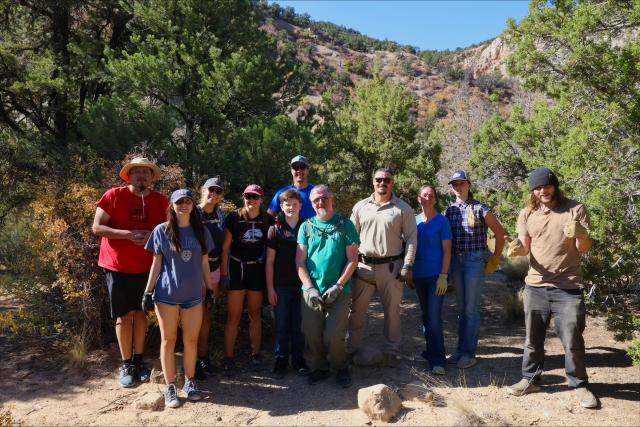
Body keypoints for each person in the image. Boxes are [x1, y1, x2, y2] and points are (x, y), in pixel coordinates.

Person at [506, 167, 598, 409]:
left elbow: (585, 247)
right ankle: (530, 379)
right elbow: (525, 247)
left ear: (555, 186)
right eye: (537, 188)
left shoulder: (575, 209)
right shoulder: (527, 213)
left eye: (546, 186)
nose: (542, 191)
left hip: (568, 287)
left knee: (572, 339)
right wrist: (516, 249)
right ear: (532, 191)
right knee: (532, 339)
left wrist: (582, 233)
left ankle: (579, 385)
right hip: (536, 285)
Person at [92, 157, 169, 387]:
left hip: (148, 268)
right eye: (137, 172)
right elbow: (97, 227)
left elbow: (170, 228)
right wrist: (128, 234)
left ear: (152, 177)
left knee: (141, 314)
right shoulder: (113, 196)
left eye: (146, 172)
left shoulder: (160, 200)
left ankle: (139, 361)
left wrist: (151, 235)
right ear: (129, 176)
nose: (142, 175)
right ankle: (126, 363)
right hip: (117, 266)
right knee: (123, 317)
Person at [142, 189, 213, 408]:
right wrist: (147, 291)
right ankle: (170, 386)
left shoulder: (200, 231)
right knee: (168, 340)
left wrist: (210, 289)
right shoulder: (161, 231)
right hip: (166, 296)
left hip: (193, 296)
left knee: (191, 340)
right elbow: (156, 264)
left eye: (187, 202)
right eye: (179, 202)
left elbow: (204, 263)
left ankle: (190, 383)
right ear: (172, 206)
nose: (183, 205)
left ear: (193, 206)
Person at [347, 168, 417, 364]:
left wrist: (407, 264)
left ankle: (391, 350)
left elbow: (412, 239)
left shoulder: (403, 208)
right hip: (363, 267)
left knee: (392, 312)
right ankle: (351, 347)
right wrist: (349, 264)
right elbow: (351, 238)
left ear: (392, 183)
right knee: (357, 310)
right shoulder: (361, 206)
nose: (382, 183)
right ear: (373, 181)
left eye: (386, 180)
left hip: (392, 267)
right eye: (378, 179)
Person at [296, 184, 360, 388]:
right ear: (312, 204)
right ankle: (321, 367)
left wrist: (339, 286)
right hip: (311, 291)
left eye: (324, 198)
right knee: (312, 333)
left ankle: (341, 367)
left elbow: (353, 259)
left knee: (333, 334)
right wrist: (310, 287)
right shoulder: (306, 226)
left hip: (339, 290)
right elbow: (300, 261)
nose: (320, 202)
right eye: (316, 200)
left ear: (332, 200)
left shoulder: (345, 224)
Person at [445, 170, 505, 369]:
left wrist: (495, 258)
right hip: (456, 261)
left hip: (474, 261)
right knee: (462, 309)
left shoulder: (480, 208)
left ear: (469, 185)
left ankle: (469, 354)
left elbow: (499, 232)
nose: (458, 187)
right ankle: (460, 351)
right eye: (454, 184)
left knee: (471, 309)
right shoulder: (450, 210)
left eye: (461, 183)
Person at [220, 184, 272, 375]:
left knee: (255, 313)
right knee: (233, 315)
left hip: (256, 270)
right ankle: (228, 357)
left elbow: (271, 248)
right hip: (236, 269)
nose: (252, 200)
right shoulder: (234, 217)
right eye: (248, 196)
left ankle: (256, 354)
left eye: (255, 197)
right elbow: (225, 247)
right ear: (243, 197)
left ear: (261, 199)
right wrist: (224, 274)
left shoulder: (268, 219)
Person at [265, 189, 310, 378]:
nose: (290, 208)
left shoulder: (308, 227)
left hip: (302, 285)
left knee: (299, 325)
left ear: (300, 206)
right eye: (287, 204)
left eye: (294, 204)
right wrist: (270, 288)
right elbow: (269, 261)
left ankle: (299, 361)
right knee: (282, 325)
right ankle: (280, 361)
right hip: (281, 286)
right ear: (281, 206)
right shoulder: (275, 229)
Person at [413, 185, 452, 375]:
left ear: (435, 199)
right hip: (418, 275)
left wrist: (444, 276)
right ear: (418, 199)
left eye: (431, 195)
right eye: (423, 195)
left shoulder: (442, 222)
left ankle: (439, 361)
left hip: (436, 276)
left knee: (434, 317)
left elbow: (447, 251)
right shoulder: (413, 221)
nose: (427, 198)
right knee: (426, 315)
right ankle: (430, 352)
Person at [195, 176, 226, 380]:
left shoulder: (220, 215)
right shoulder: (192, 212)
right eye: (210, 190)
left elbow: (224, 246)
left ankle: (203, 356)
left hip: (213, 269)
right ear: (202, 190)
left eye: (217, 191)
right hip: (194, 270)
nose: (213, 194)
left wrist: (224, 274)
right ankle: (193, 358)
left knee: (206, 313)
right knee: (193, 316)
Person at [268, 155, 315, 220]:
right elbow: (268, 217)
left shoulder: (316, 193)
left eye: (302, 167)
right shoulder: (282, 193)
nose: (299, 170)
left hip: (313, 229)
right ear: (291, 171)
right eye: (295, 167)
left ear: (307, 170)